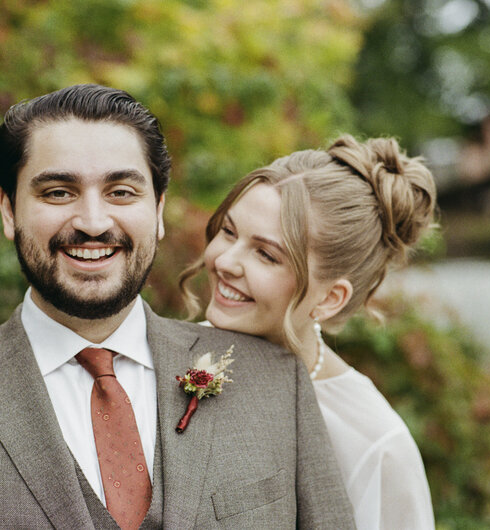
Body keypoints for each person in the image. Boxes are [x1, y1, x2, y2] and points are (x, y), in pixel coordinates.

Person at [0, 84, 355, 529]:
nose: (93, 221)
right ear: (9, 211)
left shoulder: (274, 381)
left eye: (122, 191)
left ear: (159, 210)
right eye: (58, 192)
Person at [180, 135, 437, 529]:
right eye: (229, 232)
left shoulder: (375, 443)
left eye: (266, 254)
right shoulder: (165, 361)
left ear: (331, 298)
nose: (226, 261)